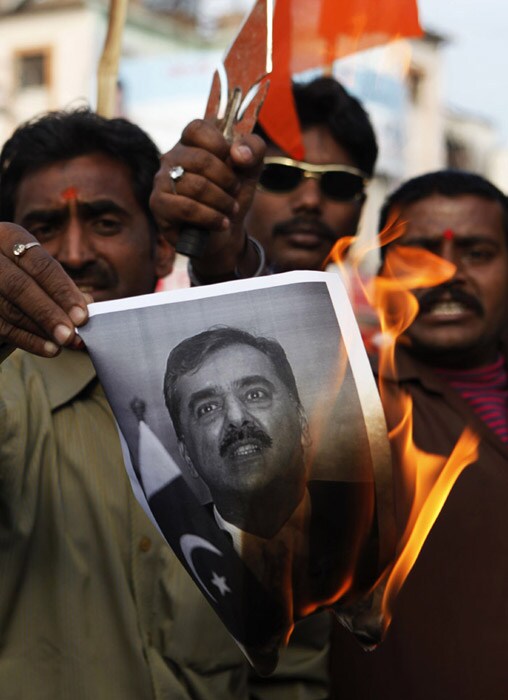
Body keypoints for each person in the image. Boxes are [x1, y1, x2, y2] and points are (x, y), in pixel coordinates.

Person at [0, 108, 331, 699]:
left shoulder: (249, 410)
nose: (73, 254)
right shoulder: (7, 402)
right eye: (43, 228)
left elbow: (294, 658)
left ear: (159, 251)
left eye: (104, 221)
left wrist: (225, 257)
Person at [330, 170, 508, 699]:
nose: (448, 274)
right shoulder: (343, 400)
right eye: (420, 254)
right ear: (383, 274)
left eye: (476, 253)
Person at [150, 76, 377, 281]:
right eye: (281, 175)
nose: (310, 201)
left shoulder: (386, 319)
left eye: (339, 183)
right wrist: (217, 263)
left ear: (362, 206)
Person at [163, 327, 310, 538]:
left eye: (255, 394)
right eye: (208, 408)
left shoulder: (370, 507)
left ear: (301, 420)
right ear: (186, 454)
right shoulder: (168, 546)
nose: (236, 418)